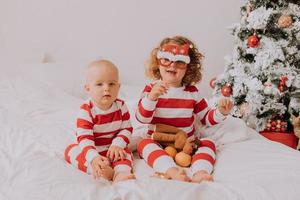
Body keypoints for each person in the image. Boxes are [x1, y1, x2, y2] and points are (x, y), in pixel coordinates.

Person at [136, 36, 233, 183]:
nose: (172, 65)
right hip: (159, 142)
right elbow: (142, 118)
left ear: (189, 68)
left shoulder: (192, 92)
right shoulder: (151, 89)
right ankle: (170, 170)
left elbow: (206, 117)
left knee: (208, 143)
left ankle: (200, 172)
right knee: (143, 144)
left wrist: (221, 112)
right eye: (166, 59)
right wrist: (151, 97)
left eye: (180, 62)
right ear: (158, 63)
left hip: (187, 143)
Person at [64, 59, 135, 182]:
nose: (106, 88)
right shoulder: (86, 110)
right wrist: (94, 158)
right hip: (93, 148)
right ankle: (99, 170)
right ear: (88, 88)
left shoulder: (121, 106)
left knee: (125, 154)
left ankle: (120, 173)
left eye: (111, 84)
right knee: (70, 151)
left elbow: (126, 129)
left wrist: (118, 145)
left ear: (118, 87)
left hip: (113, 148)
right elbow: (84, 138)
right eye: (99, 84)